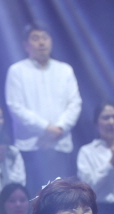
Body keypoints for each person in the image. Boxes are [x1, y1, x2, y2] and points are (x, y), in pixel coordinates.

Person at [5, 22, 82, 196]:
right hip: (31, 146)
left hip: (60, 144)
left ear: (51, 41)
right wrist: (46, 129)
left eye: (45, 38)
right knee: (34, 197)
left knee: (61, 197)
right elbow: (15, 107)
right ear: (26, 45)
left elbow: (75, 103)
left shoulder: (65, 70)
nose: (41, 42)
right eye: (35, 38)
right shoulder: (17, 70)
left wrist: (59, 129)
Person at [77, 102, 114, 214]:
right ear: (96, 123)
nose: (111, 122)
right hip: (101, 211)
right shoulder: (87, 152)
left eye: (113, 117)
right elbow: (89, 188)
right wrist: (110, 163)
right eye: (106, 117)